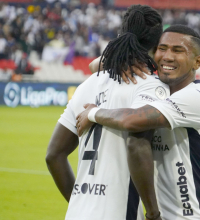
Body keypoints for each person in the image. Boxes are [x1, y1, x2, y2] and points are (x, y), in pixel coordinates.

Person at [76, 25, 200, 220]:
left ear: (197, 62)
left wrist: (93, 112)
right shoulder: (157, 91)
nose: (167, 56)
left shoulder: (196, 97)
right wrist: (125, 60)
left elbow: (132, 120)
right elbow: (95, 65)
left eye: (178, 50)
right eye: (162, 48)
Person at [46, 5, 166, 220]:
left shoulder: (89, 83)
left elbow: (54, 155)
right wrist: (154, 214)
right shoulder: (151, 88)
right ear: (157, 44)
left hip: (78, 213)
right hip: (121, 213)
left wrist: (79, 201)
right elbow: (137, 146)